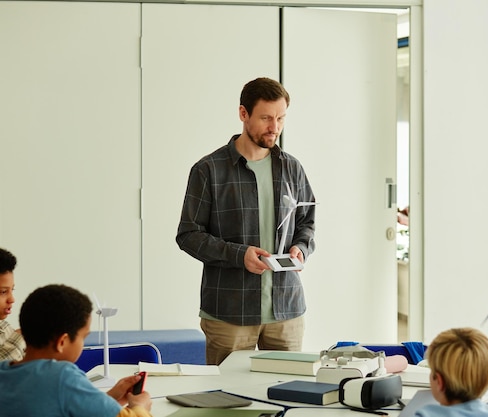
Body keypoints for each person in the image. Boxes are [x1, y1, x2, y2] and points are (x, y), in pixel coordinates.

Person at [176, 77, 316, 365]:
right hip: (229, 313)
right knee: (227, 401)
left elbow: (307, 223)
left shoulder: (293, 168)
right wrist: (240, 256)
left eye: (281, 118)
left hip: (286, 311)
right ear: (243, 114)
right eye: (266, 118)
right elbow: (188, 234)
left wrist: (301, 249)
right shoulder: (208, 170)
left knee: (285, 395)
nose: (274, 127)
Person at [0, 284, 153, 417]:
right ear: (62, 342)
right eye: (83, 337)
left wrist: (109, 398)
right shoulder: (62, 376)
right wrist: (140, 407)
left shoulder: (4, 371)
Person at [0, 247, 25, 361]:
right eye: (3, 292)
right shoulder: (16, 336)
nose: (12, 299)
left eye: (12, 290)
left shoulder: (5, 328)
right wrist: (20, 337)